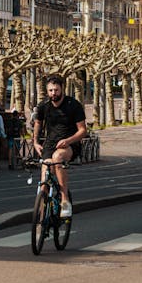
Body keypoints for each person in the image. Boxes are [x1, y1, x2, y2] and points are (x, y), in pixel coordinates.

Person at [33, 74, 87, 218]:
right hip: (50, 144)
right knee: (44, 180)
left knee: (58, 158)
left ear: (62, 88)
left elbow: (83, 131)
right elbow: (38, 123)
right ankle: (41, 220)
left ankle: (64, 200)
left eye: (56, 90)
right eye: (50, 90)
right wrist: (35, 142)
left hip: (70, 144)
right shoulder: (43, 106)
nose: (53, 94)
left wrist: (68, 141)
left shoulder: (73, 105)